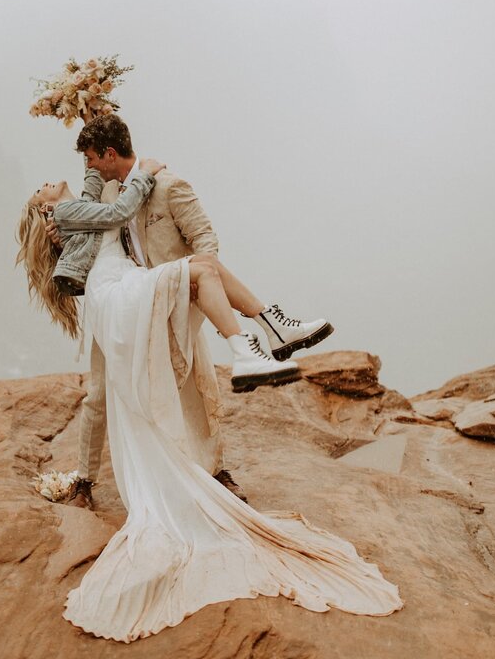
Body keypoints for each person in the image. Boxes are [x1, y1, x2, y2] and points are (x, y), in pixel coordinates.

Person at [17, 148, 402, 642]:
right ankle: (253, 344)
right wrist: (146, 173)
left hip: (127, 285)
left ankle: (270, 328)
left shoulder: (86, 195)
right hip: (117, 295)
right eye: (40, 190)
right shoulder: (72, 214)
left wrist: (97, 120)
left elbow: (102, 172)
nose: (47, 181)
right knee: (200, 270)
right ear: (46, 210)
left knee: (204, 266)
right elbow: (112, 209)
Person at [56, 115, 332, 510]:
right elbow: (88, 230)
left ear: (110, 154)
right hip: (127, 301)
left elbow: (206, 240)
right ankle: (85, 479)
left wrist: (196, 285)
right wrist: (57, 229)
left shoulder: (169, 185)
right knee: (98, 392)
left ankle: (217, 470)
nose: (89, 168)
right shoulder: (113, 195)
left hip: (173, 296)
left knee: (200, 387)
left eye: (92, 159)